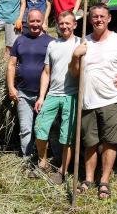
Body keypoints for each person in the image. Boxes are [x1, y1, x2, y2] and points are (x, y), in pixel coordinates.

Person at [70, 3, 117, 199]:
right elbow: (74, 73)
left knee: (109, 142)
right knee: (90, 142)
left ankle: (104, 181)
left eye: (102, 17)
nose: (98, 20)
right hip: (88, 100)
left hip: (111, 99)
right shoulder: (84, 43)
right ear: (90, 20)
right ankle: (88, 179)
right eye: (95, 17)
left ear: (109, 19)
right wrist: (75, 57)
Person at [33, 11, 81, 184]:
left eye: (68, 23)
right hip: (53, 93)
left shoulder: (81, 43)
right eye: (61, 23)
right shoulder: (53, 45)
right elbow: (46, 72)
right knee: (40, 127)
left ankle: (62, 170)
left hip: (72, 95)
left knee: (66, 135)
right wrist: (41, 97)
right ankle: (43, 162)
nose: (64, 26)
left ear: (75, 24)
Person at [7, 9, 54, 164]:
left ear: (42, 22)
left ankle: (45, 158)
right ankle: (27, 159)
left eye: (37, 21)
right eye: (31, 21)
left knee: (43, 129)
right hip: (23, 93)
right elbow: (11, 65)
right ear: (27, 22)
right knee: (25, 128)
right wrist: (11, 87)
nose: (34, 24)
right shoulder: (20, 40)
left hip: (45, 95)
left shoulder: (51, 42)